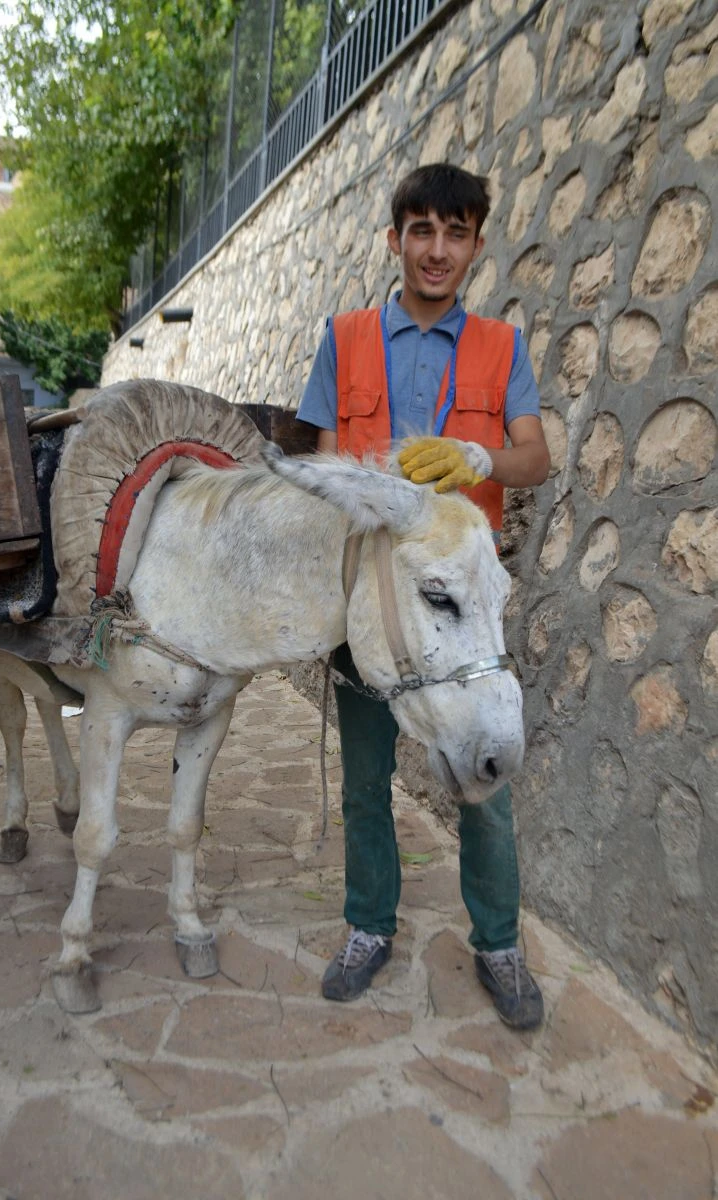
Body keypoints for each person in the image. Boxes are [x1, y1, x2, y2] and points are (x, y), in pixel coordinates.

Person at [296, 162, 551, 1030]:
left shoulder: (501, 347)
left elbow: (536, 456)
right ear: (395, 239)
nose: (436, 250)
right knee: (365, 781)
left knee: (487, 778)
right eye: (420, 231)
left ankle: (499, 943)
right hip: (376, 607)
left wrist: (482, 459)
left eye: (455, 233)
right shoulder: (346, 338)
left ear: (477, 244)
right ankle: (369, 925)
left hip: (459, 603)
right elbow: (328, 467)